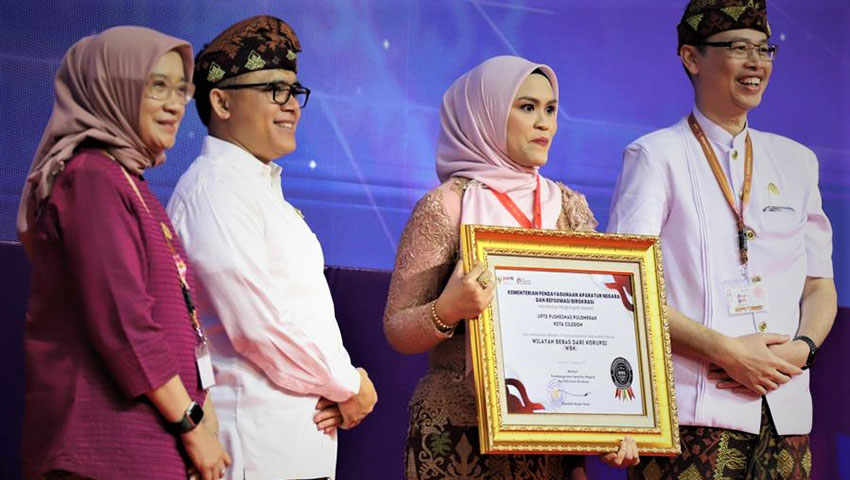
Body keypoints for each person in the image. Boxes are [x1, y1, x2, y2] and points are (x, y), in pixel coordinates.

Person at [607, 1, 838, 478]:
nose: (756, 63)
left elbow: (819, 284)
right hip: (692, 413)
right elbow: (627, 288)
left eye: (764, 49)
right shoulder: (655, 156)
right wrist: (726, 351)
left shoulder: (798, 161)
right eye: (738, 48)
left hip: (785, 411)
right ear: (692, 57)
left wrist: (803, 348)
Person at [383, 55, 639, 480]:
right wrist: (448, 309)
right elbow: (397, 327)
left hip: (549, 444)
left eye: (550, 109)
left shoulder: (568, 207)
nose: (544, 123)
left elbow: (591, 333)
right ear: (484, 114)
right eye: (527, 107)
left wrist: (610, 426)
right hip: (458, 436)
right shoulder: (447, 205)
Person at [167, 15, 377, 480]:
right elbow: (256, 328)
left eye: (294, 91)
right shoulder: (214, 190)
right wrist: (349, 384)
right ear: (221, 101)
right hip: (254, 450)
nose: (292, 107)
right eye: (274, 90)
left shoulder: (259, 190)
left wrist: (346, 386)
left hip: (295, 447)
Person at [17, 26, 230, 480]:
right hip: (101, 452)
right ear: (112, 89)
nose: (175, 105)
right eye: (157, 86)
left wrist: (202, 408)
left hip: (147, 448)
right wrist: (191, 422)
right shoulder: (91, 177)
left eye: (180, 89)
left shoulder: (131, 183)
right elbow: (123, 322)